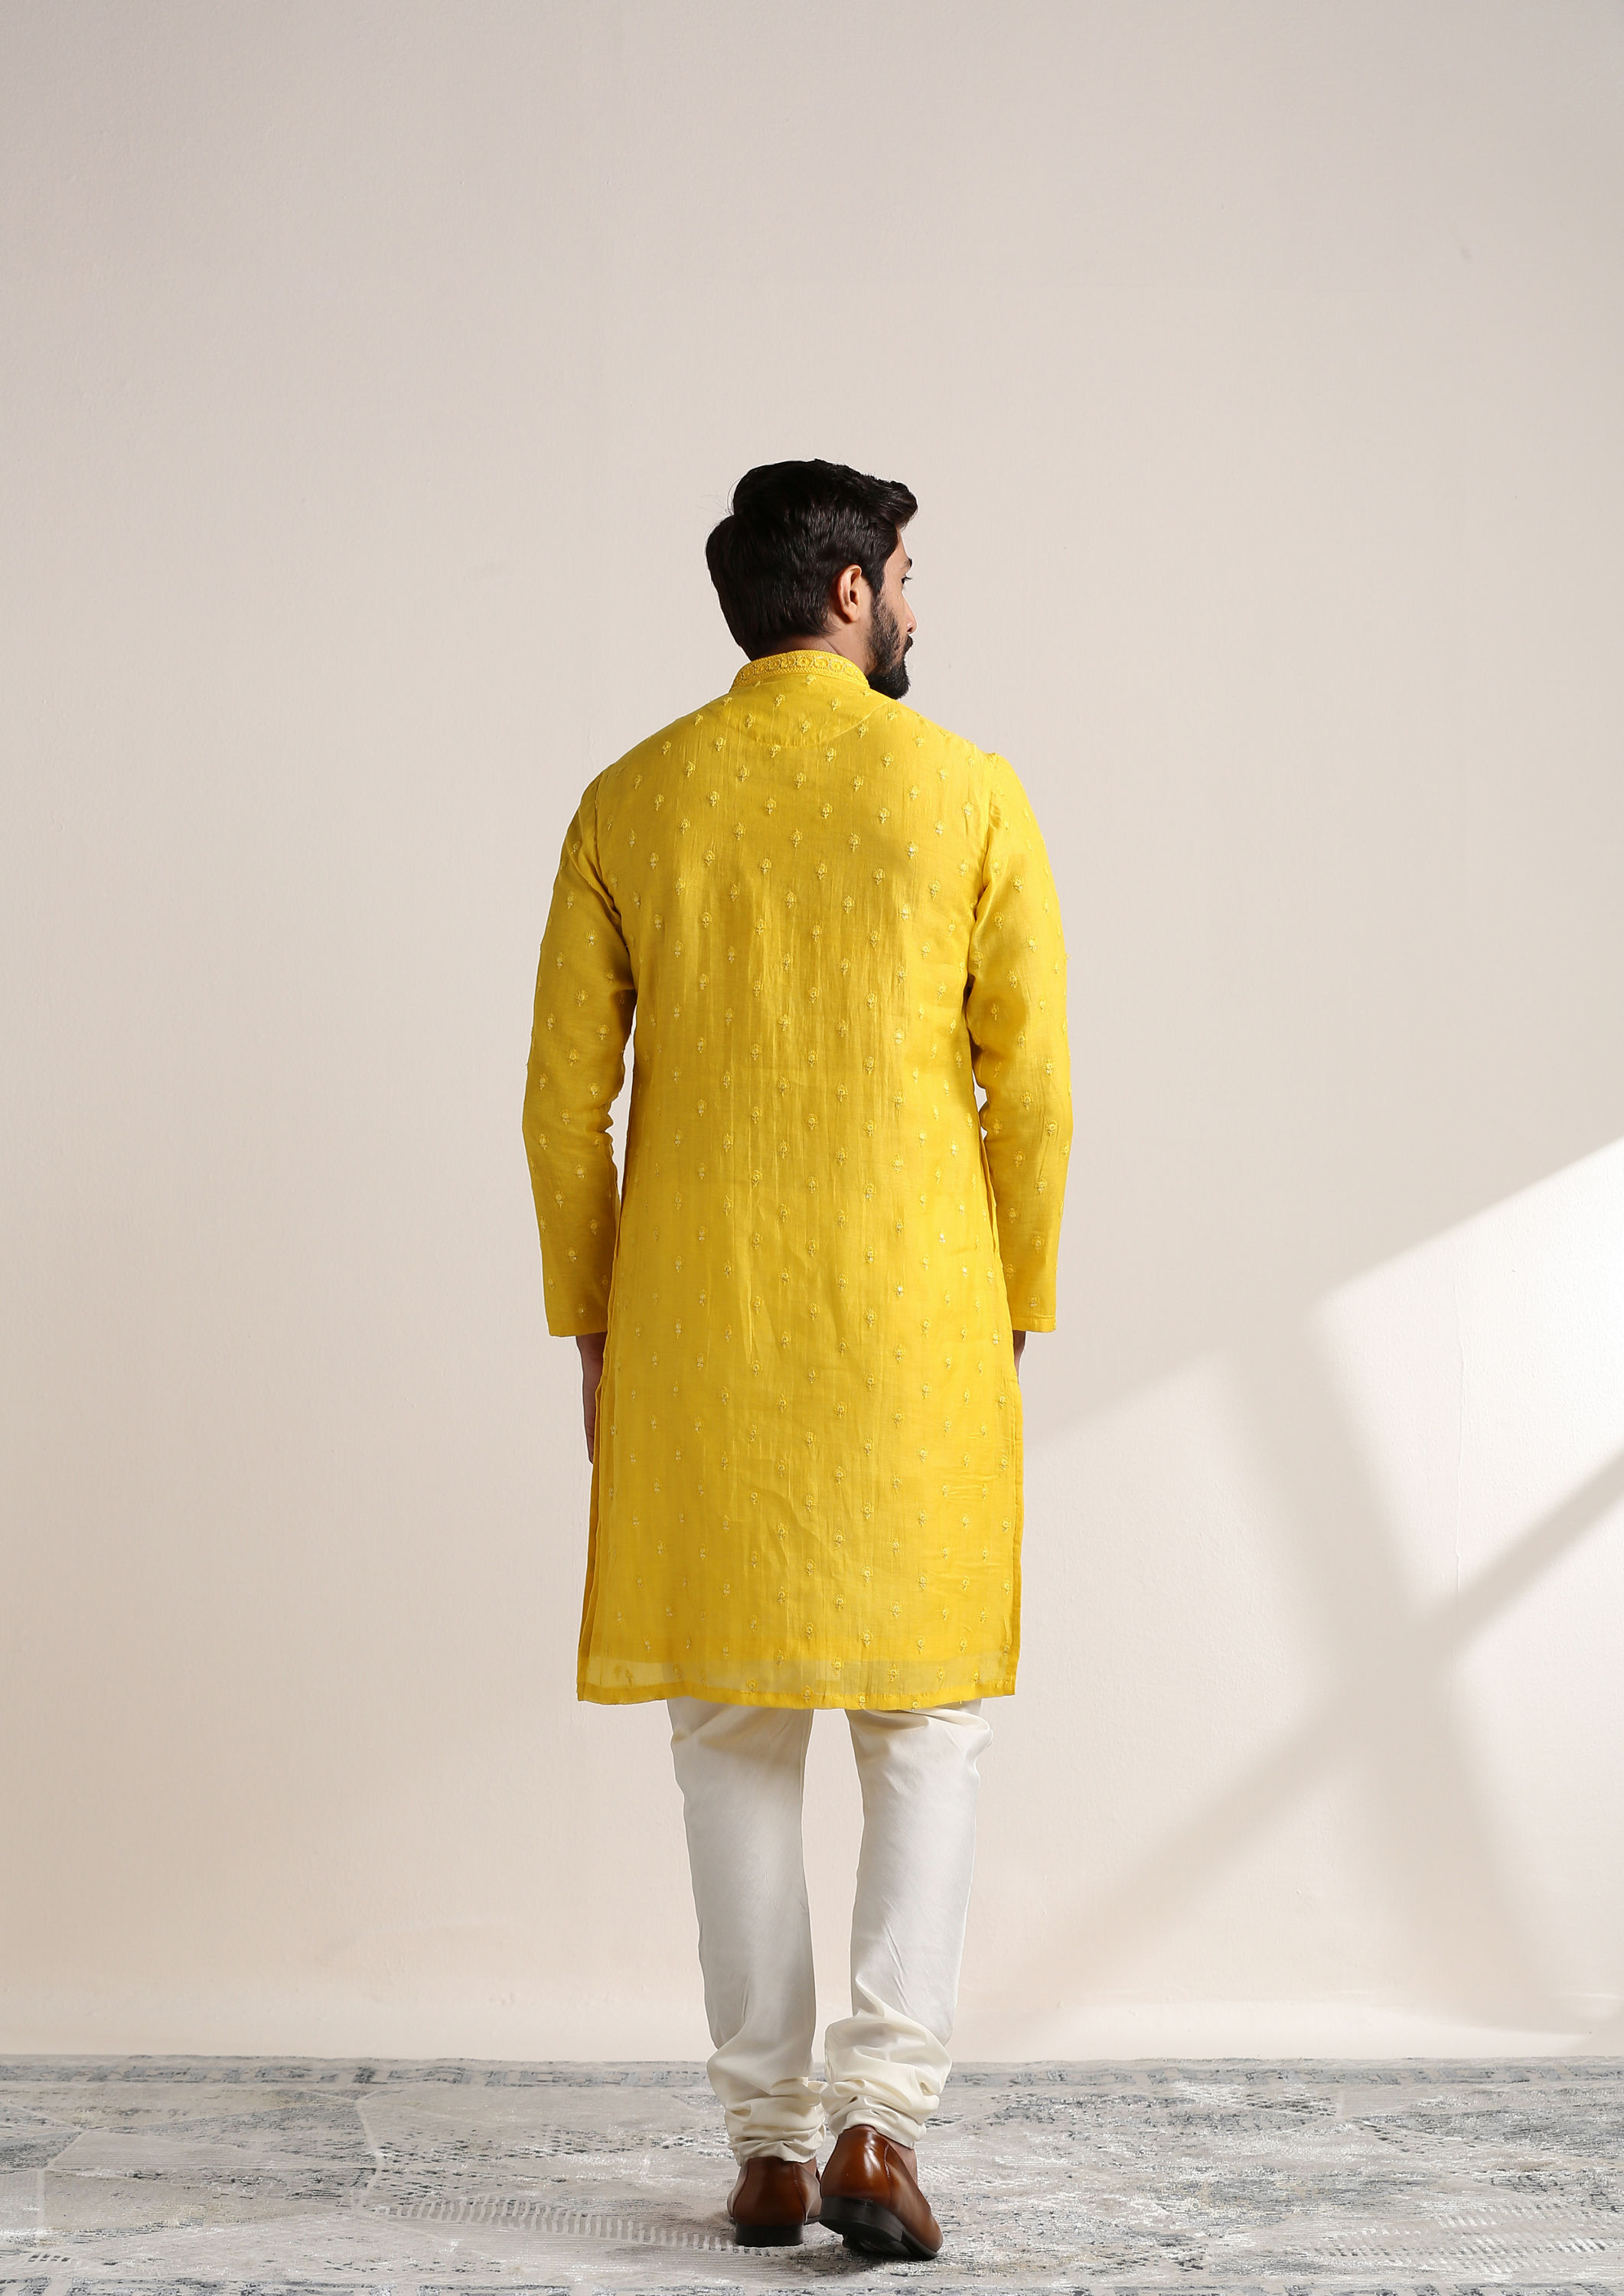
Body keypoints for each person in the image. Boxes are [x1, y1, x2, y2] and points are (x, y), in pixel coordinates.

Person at [521, 458, 1072, 2257]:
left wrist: (595, 1327)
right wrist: (1009, 1304)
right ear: (847, 593)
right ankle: (875, 2128)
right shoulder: (966, 793)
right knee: (926, 1727)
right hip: (911, 1327)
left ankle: (764, 2143)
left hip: (701, 1334)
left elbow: (559, 1110)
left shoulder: (630, 800)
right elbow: (1032, 1096)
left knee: (729, 1729)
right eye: (903, 574)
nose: (913, 603)